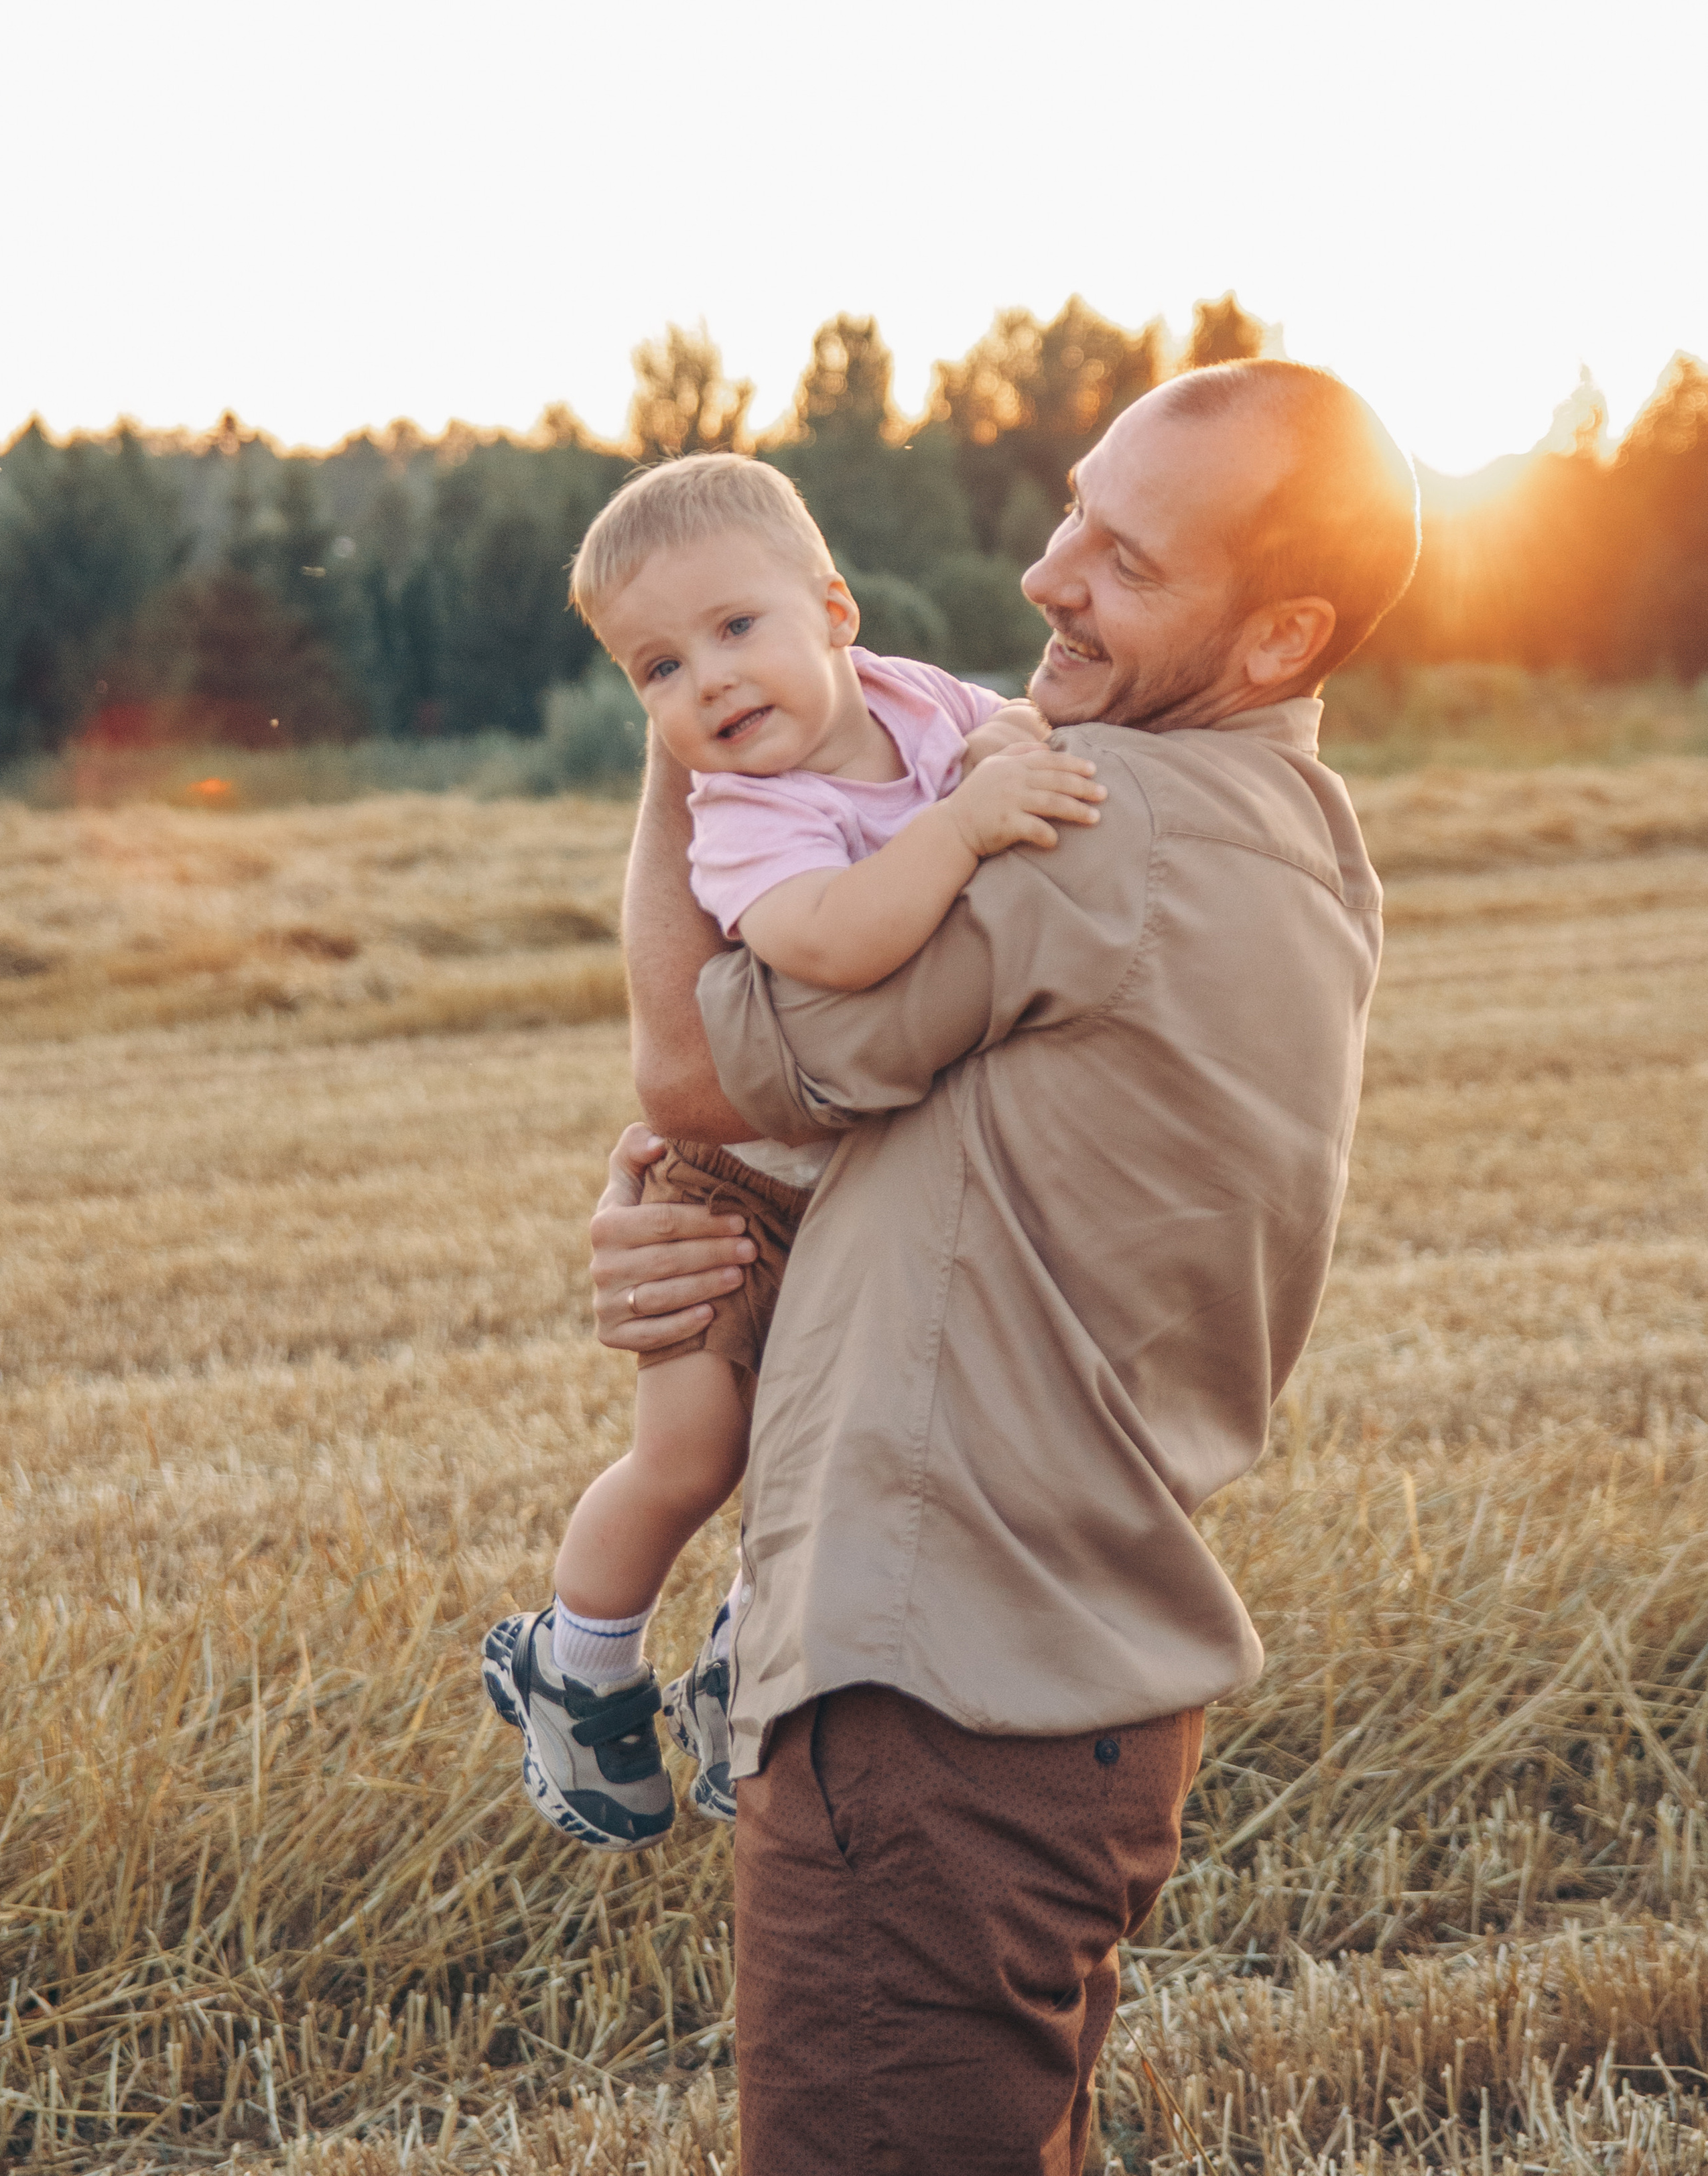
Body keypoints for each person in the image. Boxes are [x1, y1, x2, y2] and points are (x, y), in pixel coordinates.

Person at [588, 359, 1421, 2175]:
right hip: (1056, 1688)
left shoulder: (1090, 821)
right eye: (1072, 514)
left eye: (1125, 558)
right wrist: (731, 1240)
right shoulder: (1299, 849)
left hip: (939, 1701)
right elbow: (1004, 1198)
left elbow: (693, 1061)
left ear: (1280, 636)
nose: (1049, 577)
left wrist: (682, 743)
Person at [482, 456, 1106, 1846]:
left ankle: (739, 1676)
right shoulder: (744, 811)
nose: (701, 685)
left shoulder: (914, 696)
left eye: (733, 630)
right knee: (691, 1453)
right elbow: (830, 942)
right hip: (735, 1189)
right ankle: (575, 1662)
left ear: (836, 611)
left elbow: (1002, 726)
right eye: (654, 669)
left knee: (825, 1455)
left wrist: (999, 757)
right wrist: (961, 826)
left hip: (854, 1187)